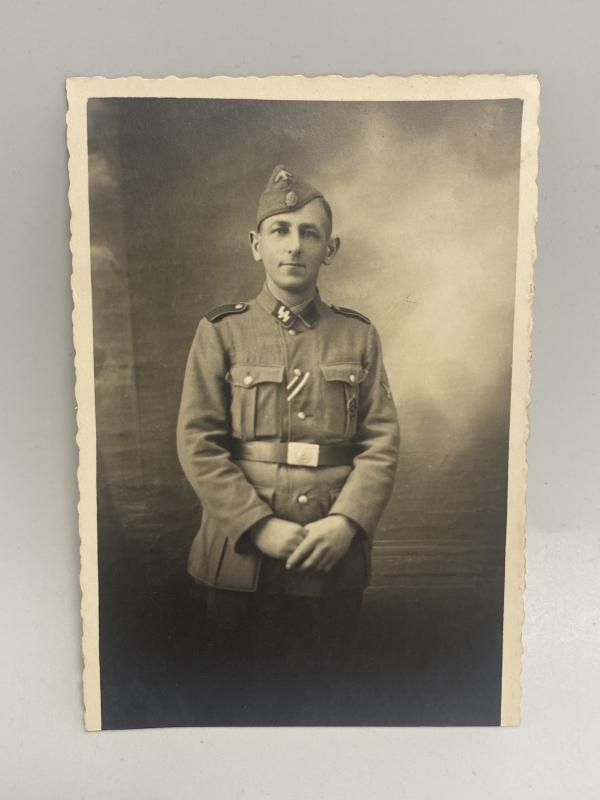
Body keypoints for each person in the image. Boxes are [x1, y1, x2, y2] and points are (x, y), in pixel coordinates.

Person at [177, 165, 400, 723]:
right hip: (239, 558)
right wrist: (258, 526)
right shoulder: (221, 331)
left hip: (330, 555)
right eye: (279, 230)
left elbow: (381, 443)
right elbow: (198, 442)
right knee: (231, 707)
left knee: (320, 704)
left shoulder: (358, 335)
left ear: (331, 248)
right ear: (256, 245)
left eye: (309, 232)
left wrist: (346, 523)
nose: (294, 245)